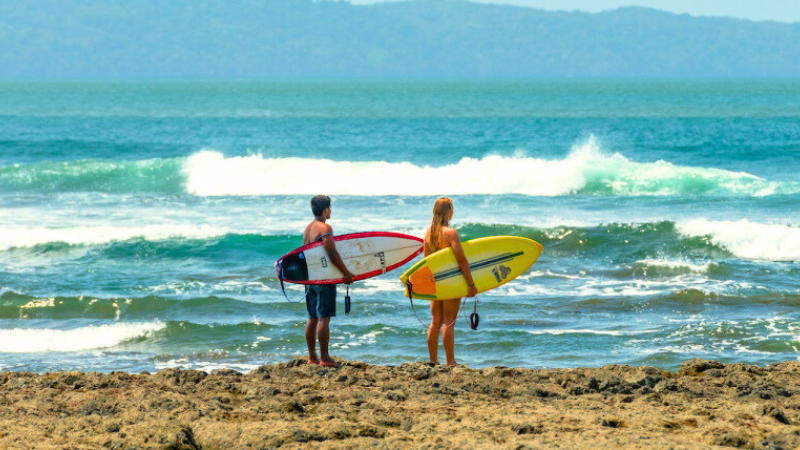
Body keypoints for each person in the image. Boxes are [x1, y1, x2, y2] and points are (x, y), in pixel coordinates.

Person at [423, 197, 477, 366]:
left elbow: (426, 261)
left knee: (435, 321)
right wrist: (470, 284)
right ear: (448, 212)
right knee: (448, 321)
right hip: (451, 281)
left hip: (436, 281)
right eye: (452, 208)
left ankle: (433, 361)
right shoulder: (450, 233)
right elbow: (461, 260)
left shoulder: (428, 232)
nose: (453, 212)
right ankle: (450, 361)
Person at [302, 195, 354, 367]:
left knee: (312, 317)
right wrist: (346, 273)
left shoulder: (308, 228)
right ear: (325, 209)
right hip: (324, 279)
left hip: (310, 279)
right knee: (324, 319)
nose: (330, 211)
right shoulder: (325, 228)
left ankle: (312, 357)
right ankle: (324, 358)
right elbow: (331, 252)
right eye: (329, 208)